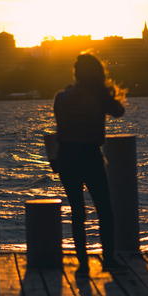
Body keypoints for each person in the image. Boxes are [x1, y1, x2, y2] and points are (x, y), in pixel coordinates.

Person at [52, 51, 126, 276]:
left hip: (66, 156)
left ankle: (83, 264)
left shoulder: (62, 97)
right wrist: (106, 92)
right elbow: (119, 112)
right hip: (90, 155)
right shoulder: (99, 96)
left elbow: (60, 127)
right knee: (104, 209)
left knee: (77, 211)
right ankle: (109, 259)